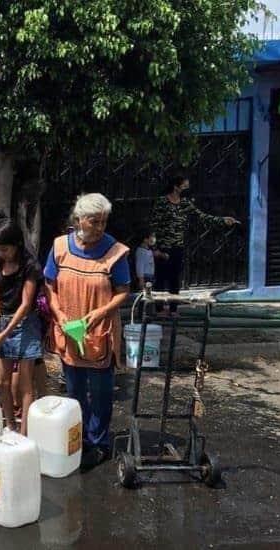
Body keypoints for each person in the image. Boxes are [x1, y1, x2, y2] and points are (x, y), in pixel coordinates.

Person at [44, 193, 131, 469]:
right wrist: (57, 313)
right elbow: (49, 284)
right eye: (95, 221)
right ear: (80, 219)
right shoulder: (59, 247)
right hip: (69, 331)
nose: (100, 227)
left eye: (104, 221)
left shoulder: (115, 252)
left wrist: (100, 312)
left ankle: (99, 443)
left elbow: (123, 291)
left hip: (99, 331)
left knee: (102, 391)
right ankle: (76, 439)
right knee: (74, 389)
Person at [0, 220, 43, 435]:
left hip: (25, 323)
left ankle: (25, 433)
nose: (1, 253)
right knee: (2, 382)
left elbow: (26, 304)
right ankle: (10, 426)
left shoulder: (30, 266)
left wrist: (3, 334)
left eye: (5, 249)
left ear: (16, 244)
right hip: (3, 322)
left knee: (25, 383)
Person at [149, 174, 238, 314]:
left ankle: (173, 309)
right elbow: (154, 226)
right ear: (176, 187)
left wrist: (222, 220)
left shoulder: (185, 204)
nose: (186, 189)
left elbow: (202, 217)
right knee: (160, 279)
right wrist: (154, 248)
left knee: (174, 280)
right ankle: (159, 309)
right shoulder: (162, 202)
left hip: (177, 247)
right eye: (184, 186)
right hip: (163, 248)